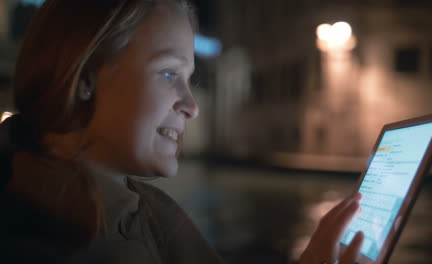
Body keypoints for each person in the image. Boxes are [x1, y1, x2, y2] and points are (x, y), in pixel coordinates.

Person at [0, 0, 364, 263]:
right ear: (84, 78)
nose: (193, 106)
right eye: (170, 74)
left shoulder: (145, 210)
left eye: (189, 79)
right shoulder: (48, 242)